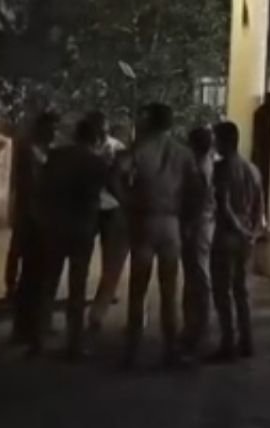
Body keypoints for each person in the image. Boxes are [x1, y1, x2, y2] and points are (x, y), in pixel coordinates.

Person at [120, 103, 202, 368]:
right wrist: (189, 220)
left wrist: (127, 200)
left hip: (144, 220)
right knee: (169, 290)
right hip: (171, 222)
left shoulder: (140, 149)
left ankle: (132, 349)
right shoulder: (183, 152)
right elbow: (197, 189)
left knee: (138, 288)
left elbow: (115, 173)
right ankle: (170, 348)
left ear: (150, 121)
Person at [34, 118, 108, 359]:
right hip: (82, 228)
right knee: (77, 287)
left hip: (55, 225)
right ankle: (74, 344)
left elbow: (42, 188)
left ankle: (38, 340)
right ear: (96, 138)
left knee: (48, 283)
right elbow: (99, 193)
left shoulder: (56, 156)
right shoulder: (96, 162)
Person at [210, 121, 264, 361]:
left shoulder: (221, 169)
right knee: (242, 290)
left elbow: (223, 205)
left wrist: (239, 229)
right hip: (247, 236)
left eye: (216, 139)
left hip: (227, 235)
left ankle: (228, 343)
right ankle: (246, 341)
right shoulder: (253, 169)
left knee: (222, 291)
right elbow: (260, 205)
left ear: (224, 141)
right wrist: (253, 231)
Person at [8, 111, 58, 345]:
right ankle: (27, 327)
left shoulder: (46, 151)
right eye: (51, 128)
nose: (54, 133)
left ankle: (36, 325)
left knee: (41, 274)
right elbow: (30, 186)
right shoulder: (30, 151)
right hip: (33, 218)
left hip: (42, 217)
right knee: (32, 274)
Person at [87, 112, 128, 332]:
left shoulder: (117, 147)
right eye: (96, 127)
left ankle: (108, 291)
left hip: (111, 205)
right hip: (91, 205)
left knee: (110, 251)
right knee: (84, 249)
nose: (100, 131)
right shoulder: (86, 148)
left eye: (103, 127)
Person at [180, 125, 215, 357]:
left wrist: (189, 225)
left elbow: (198, 200)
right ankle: (193, 326)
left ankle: (198, 328)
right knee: (195, 276)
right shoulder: (207, 164)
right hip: (203, 224)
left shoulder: (199, 168)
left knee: (197, 277)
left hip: (198, 226)